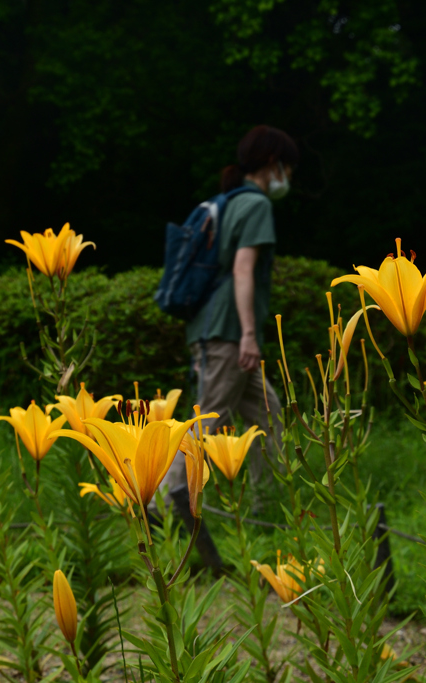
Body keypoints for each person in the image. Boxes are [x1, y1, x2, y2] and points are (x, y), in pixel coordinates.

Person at [158, 124, 298, 515]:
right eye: (288, 167)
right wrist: (248, 335)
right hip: (228, 331)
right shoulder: (255, 205)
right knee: (209, 418)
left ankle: (266, 507)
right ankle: (158, 508)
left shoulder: (231, 201)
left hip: (214, 326)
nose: (289, 177)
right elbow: (242, 270)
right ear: (273, 164)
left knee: (268, 415)